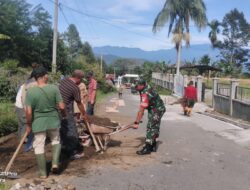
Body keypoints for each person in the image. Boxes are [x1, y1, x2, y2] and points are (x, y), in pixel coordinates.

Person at [25, 66, 66, 178]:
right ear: (43, 76)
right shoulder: (54, 88)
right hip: (53, 120)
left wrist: (28, 124)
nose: (48, 76)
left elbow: (28, 112)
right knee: (56, 140)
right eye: (47, 74)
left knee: (39, 145)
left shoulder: (30, 92)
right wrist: (64, 115)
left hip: (38, 122)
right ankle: (55, 163)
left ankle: (43, 173)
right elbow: (62, 106)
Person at [59, 70, 88, 159]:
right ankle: (73, 152)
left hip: (57, 111)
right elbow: (79, 103)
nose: (81, 81)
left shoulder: (63, 81)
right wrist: (84, 114)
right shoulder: (74, 87)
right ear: (78, 78)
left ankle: (63, 149)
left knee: (63, 130)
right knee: (72, 132)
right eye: (81, 79)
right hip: (67, 111)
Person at [132, 78, 166, 155]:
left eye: (136, 86)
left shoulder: (145, 93)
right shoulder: (145, 87)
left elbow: (141, 110)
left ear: (142, 85)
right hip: (154, 108)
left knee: (151, 127)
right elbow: (143, 107)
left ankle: (147, 148)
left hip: (157, 109)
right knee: (155, 126)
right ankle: (153, 145)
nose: (135, 87)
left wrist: (136, 122)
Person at [15, 72, 36, 152]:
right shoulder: (29, 85)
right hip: (22, 106)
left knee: (21, 124)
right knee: (25, 123)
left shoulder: (26, 83)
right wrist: (26, 109)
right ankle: (24, 141)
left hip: (18, 105)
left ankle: (21, 138)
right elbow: (23, 98)